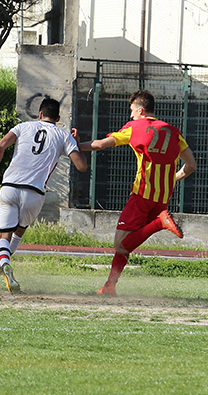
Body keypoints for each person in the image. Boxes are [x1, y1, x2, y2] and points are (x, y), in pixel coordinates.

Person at [79, 90, 196, 296]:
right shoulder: (173, 132)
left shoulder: (135, 127)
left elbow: (100, 144)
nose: (130, 115)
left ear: (141, 111)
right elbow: (191, 165)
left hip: (142, 195)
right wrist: (172, 179)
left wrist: (73, 147)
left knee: (121, 243)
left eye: (132, 111)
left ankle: (161, 223)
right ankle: (110, 286)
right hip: (162, 199)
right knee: (127, 245)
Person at [0, 97, 88, 293]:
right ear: (58, 118)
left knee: (2, 236)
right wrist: (77, 143)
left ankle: (2, 264)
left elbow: (0, 146)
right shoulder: (64, 136)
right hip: (35, 193)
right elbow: (81, 166)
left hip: (10, 187)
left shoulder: (23, 127)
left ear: (39, 114)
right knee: (19, 231)